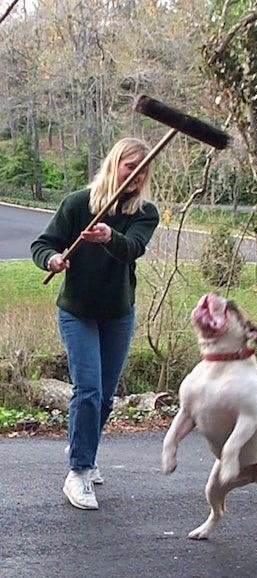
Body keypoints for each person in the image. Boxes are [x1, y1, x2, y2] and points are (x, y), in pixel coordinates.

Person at [31, 137, 159, 510]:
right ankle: (79, 471)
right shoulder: (76, 204)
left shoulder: (144, 212)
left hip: (118, 313)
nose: (136, 176)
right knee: (87, 389)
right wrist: (52, 259)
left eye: (143, 170)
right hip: (77, 311)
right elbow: (42, 243)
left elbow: (132, 248)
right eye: (130, 167)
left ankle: (84, 445)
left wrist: (108, 236)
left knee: (103, 397)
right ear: (115, 164)